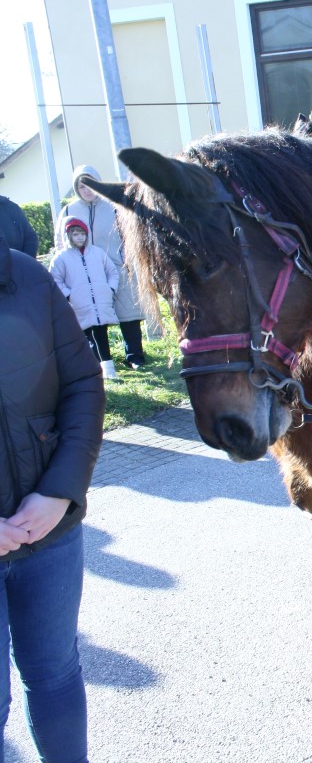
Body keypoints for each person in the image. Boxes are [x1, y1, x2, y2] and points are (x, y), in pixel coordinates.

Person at [0, 235, 104, 763]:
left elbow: (83, 384)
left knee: (56, 673)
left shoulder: (25, 276)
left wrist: (59, 492)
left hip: (51, 534)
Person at [56, 166, 149, 369]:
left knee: (128, 314)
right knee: (93, 318)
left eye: (90, 184)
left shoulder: (114, 206)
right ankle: (101, 360)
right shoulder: (69, 211)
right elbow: (61, 243)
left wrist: (129, 261)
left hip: (118, 266)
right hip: (83, 272)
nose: (86, 190)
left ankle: (135, 357)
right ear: (76, 188)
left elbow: (129, 235)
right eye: (81, 186)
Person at [50, 217, 121, 380]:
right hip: (79, 304)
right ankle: (95, 368)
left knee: (101, 334)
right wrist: (69, 295)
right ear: (69, 236)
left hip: (100, 302)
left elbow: (112, 272)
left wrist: (109, 289)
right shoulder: (61, 258)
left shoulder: (97, 253)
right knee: (87, 337)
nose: (80, 237)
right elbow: (55, 280)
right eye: (75, 234)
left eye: (82, 233)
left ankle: (109, 368)